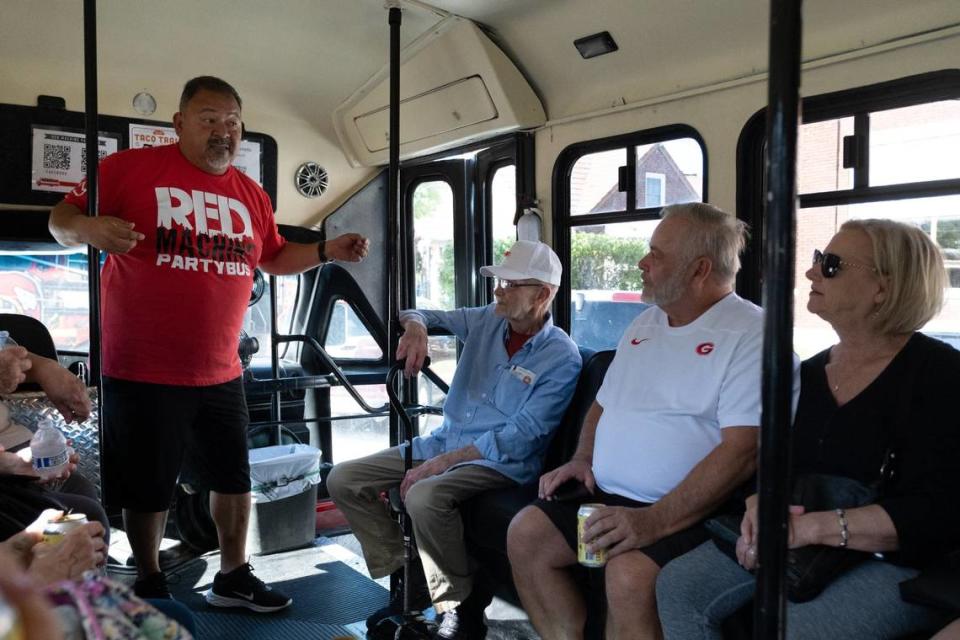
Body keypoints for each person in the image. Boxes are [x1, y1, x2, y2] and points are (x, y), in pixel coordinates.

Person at [48, 75, 369, 612]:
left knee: (233, 477)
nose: (223, 130)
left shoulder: (251, 194)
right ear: (178, 124)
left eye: (232, 121)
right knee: (149, 485)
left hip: (220, 369)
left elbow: (273, 257)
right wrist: (89, 230)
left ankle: (233, 574)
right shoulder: (127, 170)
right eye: (209, 119)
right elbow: (60, 221)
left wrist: (325, 250)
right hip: (142, 366)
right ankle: (149, 576)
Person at [656, 219, 960, 639]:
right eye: (818, 259)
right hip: (802, 537)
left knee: (798, 629)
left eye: (831, 264)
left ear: (883, 289)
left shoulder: (941, 377)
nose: (811, 272)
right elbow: (778, 465)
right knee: (679, 585)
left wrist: (807, 529)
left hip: (894, 559)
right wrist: (759, 507)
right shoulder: (810, 374)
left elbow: (936, 511)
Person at [507, 203, 795, 640]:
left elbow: (742, 451)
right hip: (608, 492)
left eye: (656, 255)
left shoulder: (754, 336)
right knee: (527, 534)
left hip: (695, 507)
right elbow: (605, 404)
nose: (642, 263)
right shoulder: (646, 323)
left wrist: (653, 522)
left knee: (628, 574)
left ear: (699, 269)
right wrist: (583, 458)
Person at [327, 240, 581, 640]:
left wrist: (440, 464)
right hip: (445, 440)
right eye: (499, 282)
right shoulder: (486, 320)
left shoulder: (561, 356)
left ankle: (459, 604)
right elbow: (417, 311)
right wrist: (417, 328)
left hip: (499, 463)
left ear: (542, 294)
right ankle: (408, 571)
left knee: (423, 496)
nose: (498, 291)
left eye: (510, 285)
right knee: (344, 479)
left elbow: (522, 436)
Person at [0, 344, 104, 540]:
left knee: (80, 488)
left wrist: (45, 369)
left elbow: (11, 358)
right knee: (85, 516)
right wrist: (9, 465)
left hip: (11, 444)